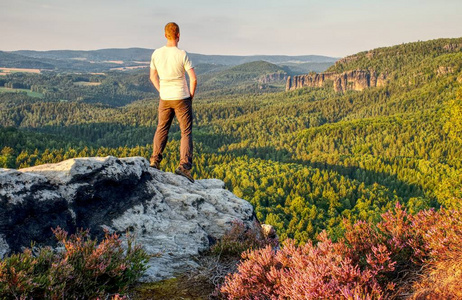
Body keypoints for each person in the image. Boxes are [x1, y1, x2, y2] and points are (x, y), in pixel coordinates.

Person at [149, 22, 197, 183]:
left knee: (162, 128)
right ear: (178, 35)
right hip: (182, 97)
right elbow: (193, 79)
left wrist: (161, 90)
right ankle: (184, 166)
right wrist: (190, 95)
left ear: (165, 35)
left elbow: (152, 77)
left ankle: (154, 161)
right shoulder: (182, 54)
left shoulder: (156, 53)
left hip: (165, 97)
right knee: (186, 132)